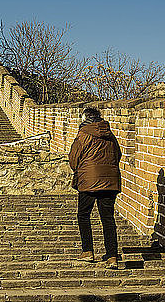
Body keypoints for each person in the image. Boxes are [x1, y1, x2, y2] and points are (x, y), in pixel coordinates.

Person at [69, 107, 122, 269]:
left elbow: (73, 159)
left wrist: (82, 170)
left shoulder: (83, 135)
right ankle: (112, 256)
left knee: (83, 215)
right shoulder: (110, 135)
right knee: (108, 218)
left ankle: (88, 251)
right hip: (110, 180)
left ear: (84, 119)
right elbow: (118, 155)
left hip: (88, 181)